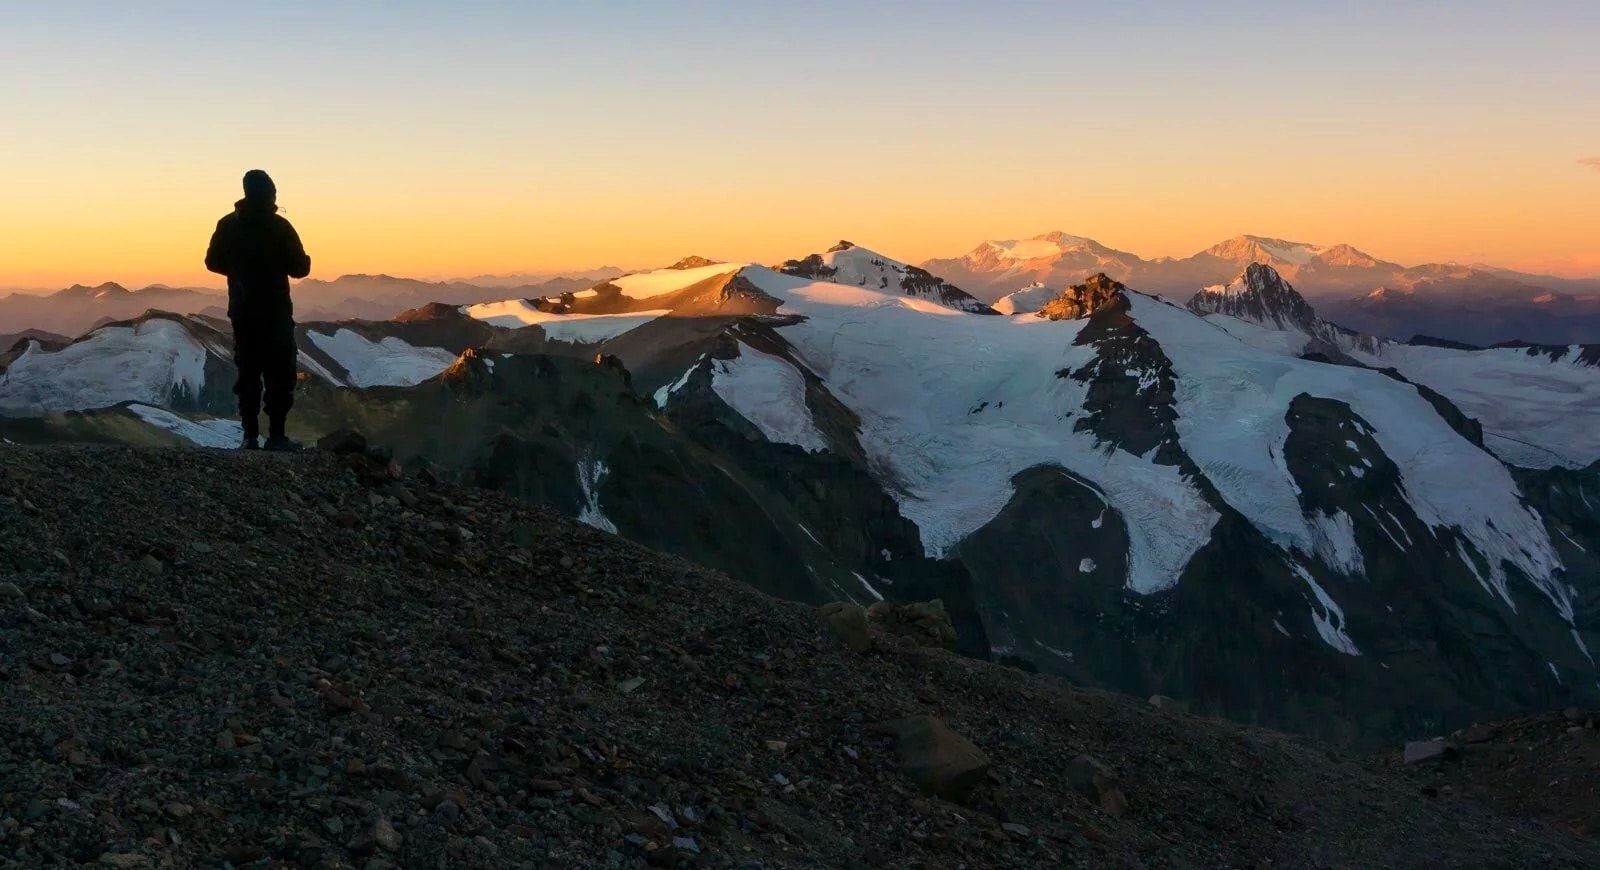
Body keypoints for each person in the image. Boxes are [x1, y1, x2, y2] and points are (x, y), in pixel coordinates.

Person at [204, 170, 311, 451]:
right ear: (269, 194)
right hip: (275, 311)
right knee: (280, 371)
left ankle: (249, 436)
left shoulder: (227, 225)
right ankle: (277, 436)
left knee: (248, 371)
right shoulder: (279, 227)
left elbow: (212, 262)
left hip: (241, 310)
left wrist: (238, 271)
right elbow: (300, 267)